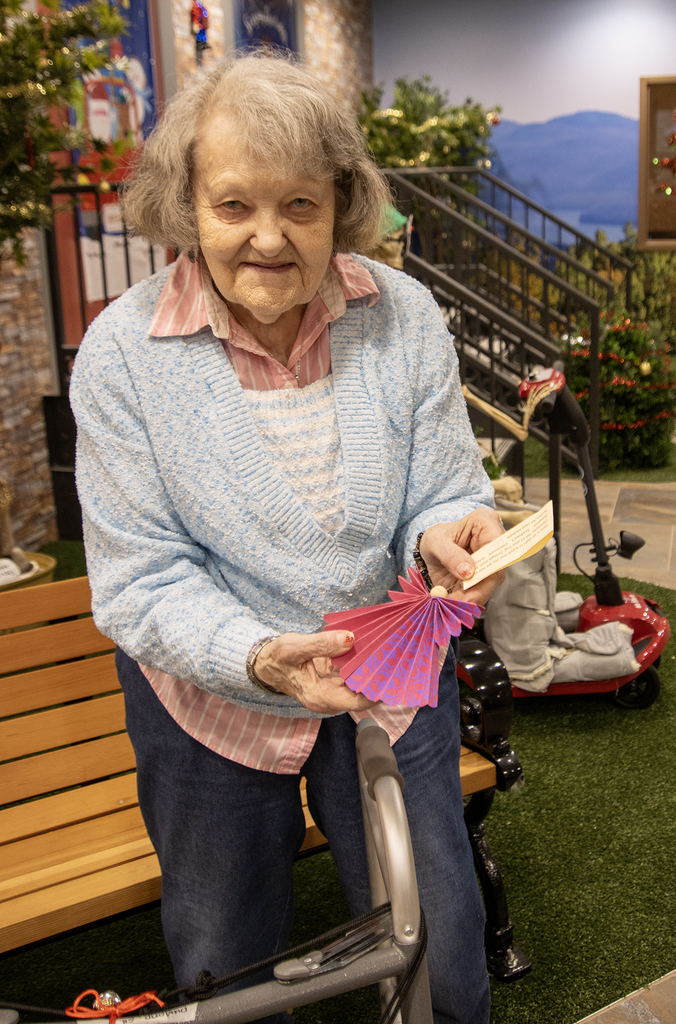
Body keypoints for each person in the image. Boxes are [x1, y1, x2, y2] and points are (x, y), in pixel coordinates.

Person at [70, 52, 505, 1024]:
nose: (268, 237)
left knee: (443, 954)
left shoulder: (402, 317)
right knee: (229, 971)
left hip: (386, 672)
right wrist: (259, 657)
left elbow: (441, 487)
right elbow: (141, 580)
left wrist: (446, 532)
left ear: (340, 203)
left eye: (300, 205)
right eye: (234, 205)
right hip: (211, 699)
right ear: (187, 205)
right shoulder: (122, 356)